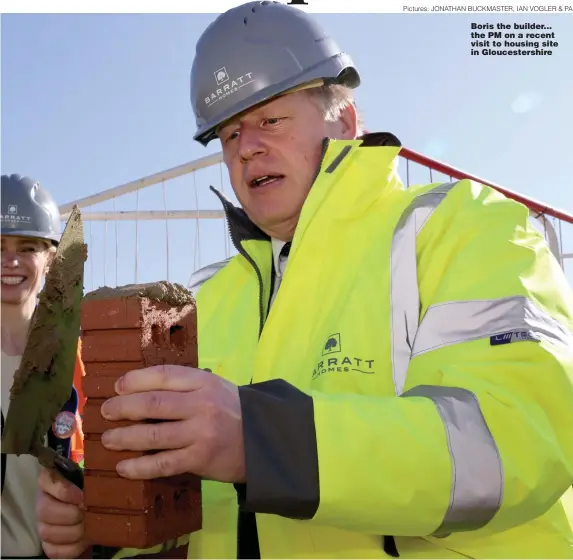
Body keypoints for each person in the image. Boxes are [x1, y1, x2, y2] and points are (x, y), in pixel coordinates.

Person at [36, 2, 573, 559]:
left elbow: (515, 441)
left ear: (344, 121)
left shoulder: (464, 226)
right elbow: (206, 516)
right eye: (230, 134)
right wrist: (105, 531)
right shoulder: (207, 303)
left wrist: (260, 439)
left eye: (271, 119)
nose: (248, 147)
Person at [1, 173, 86, 559]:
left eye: (28, 246)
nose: (11, 261)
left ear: (51, 257)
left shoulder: (83, 361)